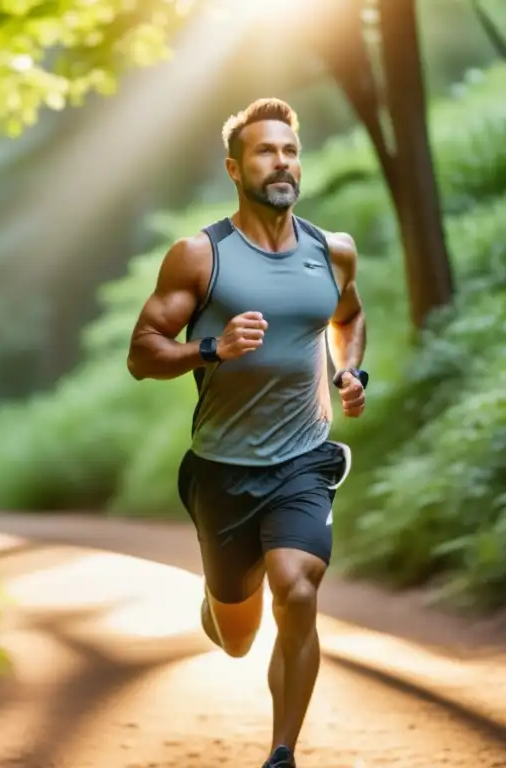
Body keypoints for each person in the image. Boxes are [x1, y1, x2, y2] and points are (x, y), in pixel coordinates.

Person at [125, 97, 367, 768]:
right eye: (266, 151)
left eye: (290, 151)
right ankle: (220, 597)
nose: (282, 162)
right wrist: (211, 350)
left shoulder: (332, 251)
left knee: (298, 586)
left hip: (303, 460)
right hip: (223, 472)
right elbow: (142, 354)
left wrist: (352, 373)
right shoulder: (200, 257)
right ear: (235, 168)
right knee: (237, 637)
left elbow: (349, 319)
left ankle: (282, 752)